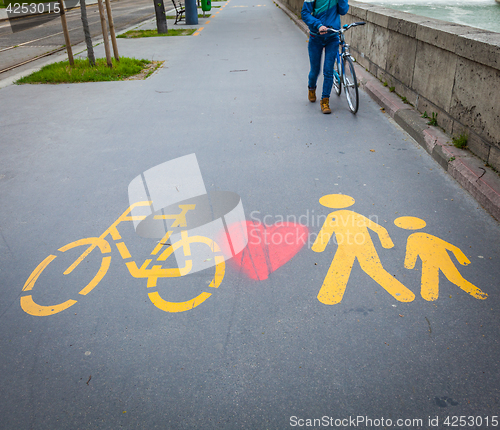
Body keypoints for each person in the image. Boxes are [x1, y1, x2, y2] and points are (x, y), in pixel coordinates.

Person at [301, 0, 349, 114]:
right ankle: (311, 88)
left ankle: (325, 100)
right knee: (315, 70)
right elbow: (305, 13)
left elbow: (343, 11)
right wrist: (318, 25)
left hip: (332, 37)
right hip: (316, 37)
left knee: (328, 70)